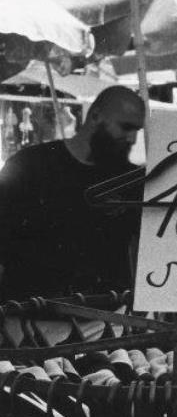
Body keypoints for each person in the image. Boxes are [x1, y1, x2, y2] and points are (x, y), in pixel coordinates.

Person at [0, 86, 144, 301]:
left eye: (137, 130)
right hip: (30, 316)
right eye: (125, 127)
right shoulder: (29, 165)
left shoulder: (132, 179)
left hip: (109, 319)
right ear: (95, 116)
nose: (132, 139)